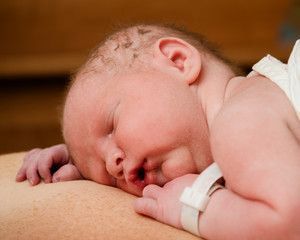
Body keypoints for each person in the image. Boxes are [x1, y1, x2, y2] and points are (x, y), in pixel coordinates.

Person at [15, 23, 300, 239]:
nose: (113, 166)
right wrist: (81, 156)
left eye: (112, 125)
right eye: (106, 176)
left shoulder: (240, 122)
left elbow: (288, 221)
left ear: (178, 61)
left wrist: (197, 210)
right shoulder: (262, 112)